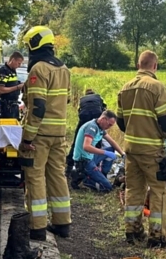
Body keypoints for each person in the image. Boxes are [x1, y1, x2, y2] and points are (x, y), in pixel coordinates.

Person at [117, 50, 166, 251]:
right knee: (159, 192)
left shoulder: (125, 88)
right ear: (154, 66)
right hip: (151, 150)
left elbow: (121, 122)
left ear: (139, 65)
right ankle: (158, 237)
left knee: (134, 190)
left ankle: (132, 231)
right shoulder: (157, 87)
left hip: (131, 148)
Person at [19, 26, 72, 239]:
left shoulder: (39, 69)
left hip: (39, 136)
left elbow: (38, 107)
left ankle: (37, 226)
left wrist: (27, 138)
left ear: (34, 43)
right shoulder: (64, 69)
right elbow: (65, 100)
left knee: (35, 178)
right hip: (59, 133)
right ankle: (62, 224)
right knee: (58, 176)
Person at [71, 110, 121, 192]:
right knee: (107, 188)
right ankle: (85, 180)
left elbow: (112, 141)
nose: (109, 127)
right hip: (84, 161)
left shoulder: (100, 127)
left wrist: (122, 154)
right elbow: (86, 147)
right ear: (103, 119)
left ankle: (102, 174)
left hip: (91, 157)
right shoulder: (92, 127)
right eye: (109, 124)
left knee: (111, 149)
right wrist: (105, 152)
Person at [67, 88, 105, 173]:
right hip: (97, 115)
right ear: (93, 93)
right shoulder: (98, 97)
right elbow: (104, 110)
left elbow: (79, 111)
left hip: (84, 116)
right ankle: (96, 164)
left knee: (77, 140)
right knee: (97, 140)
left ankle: (70, 164)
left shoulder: (82, 99)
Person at [0, 51, 25, 120]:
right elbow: (1, 90)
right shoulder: (3, 71)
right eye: (18, 63)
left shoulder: (13, 70)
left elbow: (11, 83)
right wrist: (17, 87)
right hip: (7, 105)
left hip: (14, 104)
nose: (19, 65)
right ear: (13, 60)